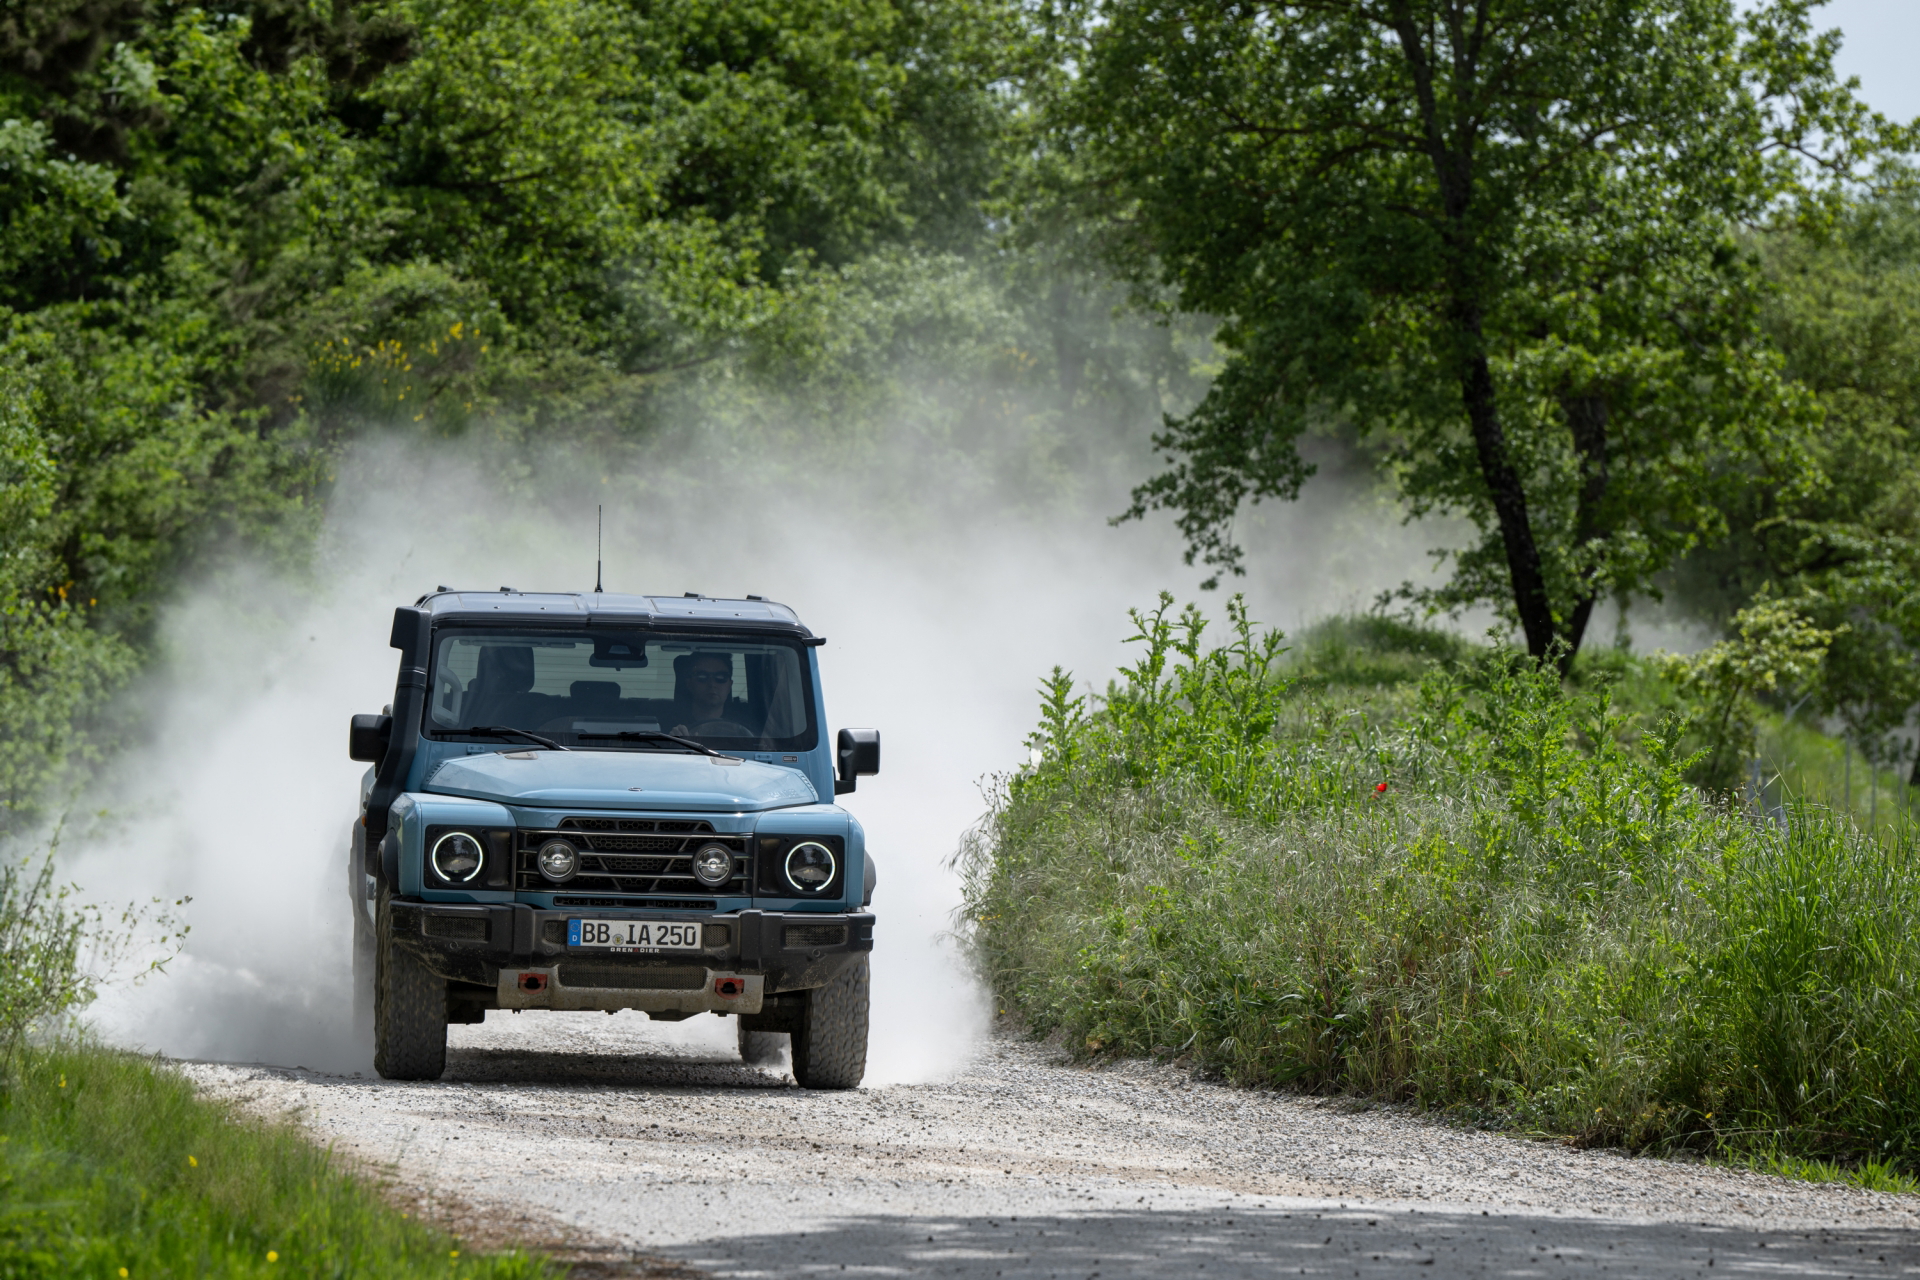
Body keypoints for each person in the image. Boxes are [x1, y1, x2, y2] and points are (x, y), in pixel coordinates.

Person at [670, 651, 754, 739]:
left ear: (730, 685)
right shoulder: (666, 723)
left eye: (720, 677)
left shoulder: (747, 727)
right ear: (689, 683)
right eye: (702, 677)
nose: (712, 684)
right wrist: (673, 742)